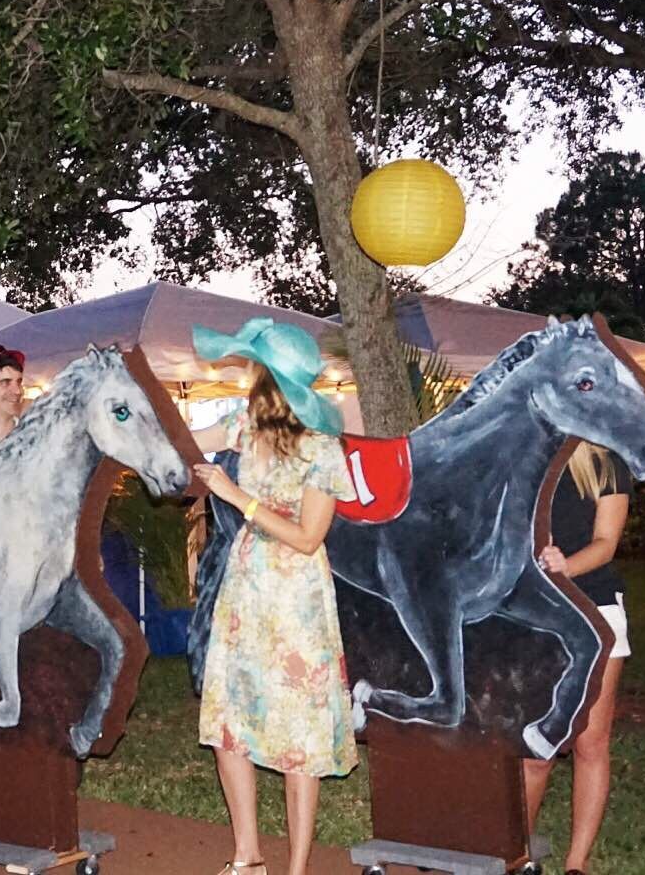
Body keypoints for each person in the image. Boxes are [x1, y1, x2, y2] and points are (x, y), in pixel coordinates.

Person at [187, 320, 358, 875]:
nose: (248, 375)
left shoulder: (323, 449)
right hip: (246, 589)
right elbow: (188, 439)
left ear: (270, 378)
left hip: (297, 599)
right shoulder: (244, 424)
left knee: (298, 738)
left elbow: (310, 538)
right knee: (229, 724)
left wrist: (237, 497)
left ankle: (297, 868)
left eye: (255, 367)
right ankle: (247, 858)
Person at [523, 442, 633, 875]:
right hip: (536, 614)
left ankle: (576, 863)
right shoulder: (526, 455)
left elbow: (606, 543)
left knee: (591, 742)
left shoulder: (606, 462)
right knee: (534, 748)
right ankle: (518, 855)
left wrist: (565, 566)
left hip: (596, 611)